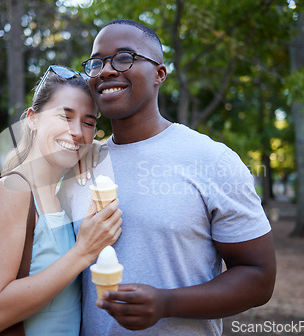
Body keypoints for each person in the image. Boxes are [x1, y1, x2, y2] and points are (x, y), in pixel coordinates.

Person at [57, 19, 276, 335]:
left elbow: (259, 277)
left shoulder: (212, 159)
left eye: (123, 57)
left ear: (159, 74)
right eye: (96, 62)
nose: (105, 71)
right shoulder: (81, 162)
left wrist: (166, 303)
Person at [0, 65, 123, 336]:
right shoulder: (14, 189)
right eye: (65, 116)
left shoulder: (58, 194)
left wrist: (96, 148)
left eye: (88, 123)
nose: (77, 131)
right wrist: (84, 252)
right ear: (32, 118)